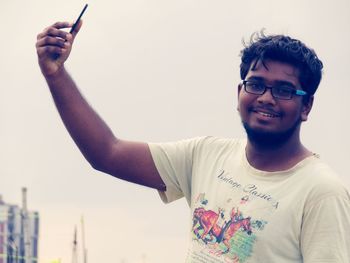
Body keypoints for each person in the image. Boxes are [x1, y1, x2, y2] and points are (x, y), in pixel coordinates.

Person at [36, 21, 350, 262]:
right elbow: (107, 152)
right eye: (256, 85)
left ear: (306, 106)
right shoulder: (207, 155)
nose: (266, 99)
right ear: (239, 93)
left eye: (283, 90)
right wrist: (56, 75)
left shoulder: (321, 192)